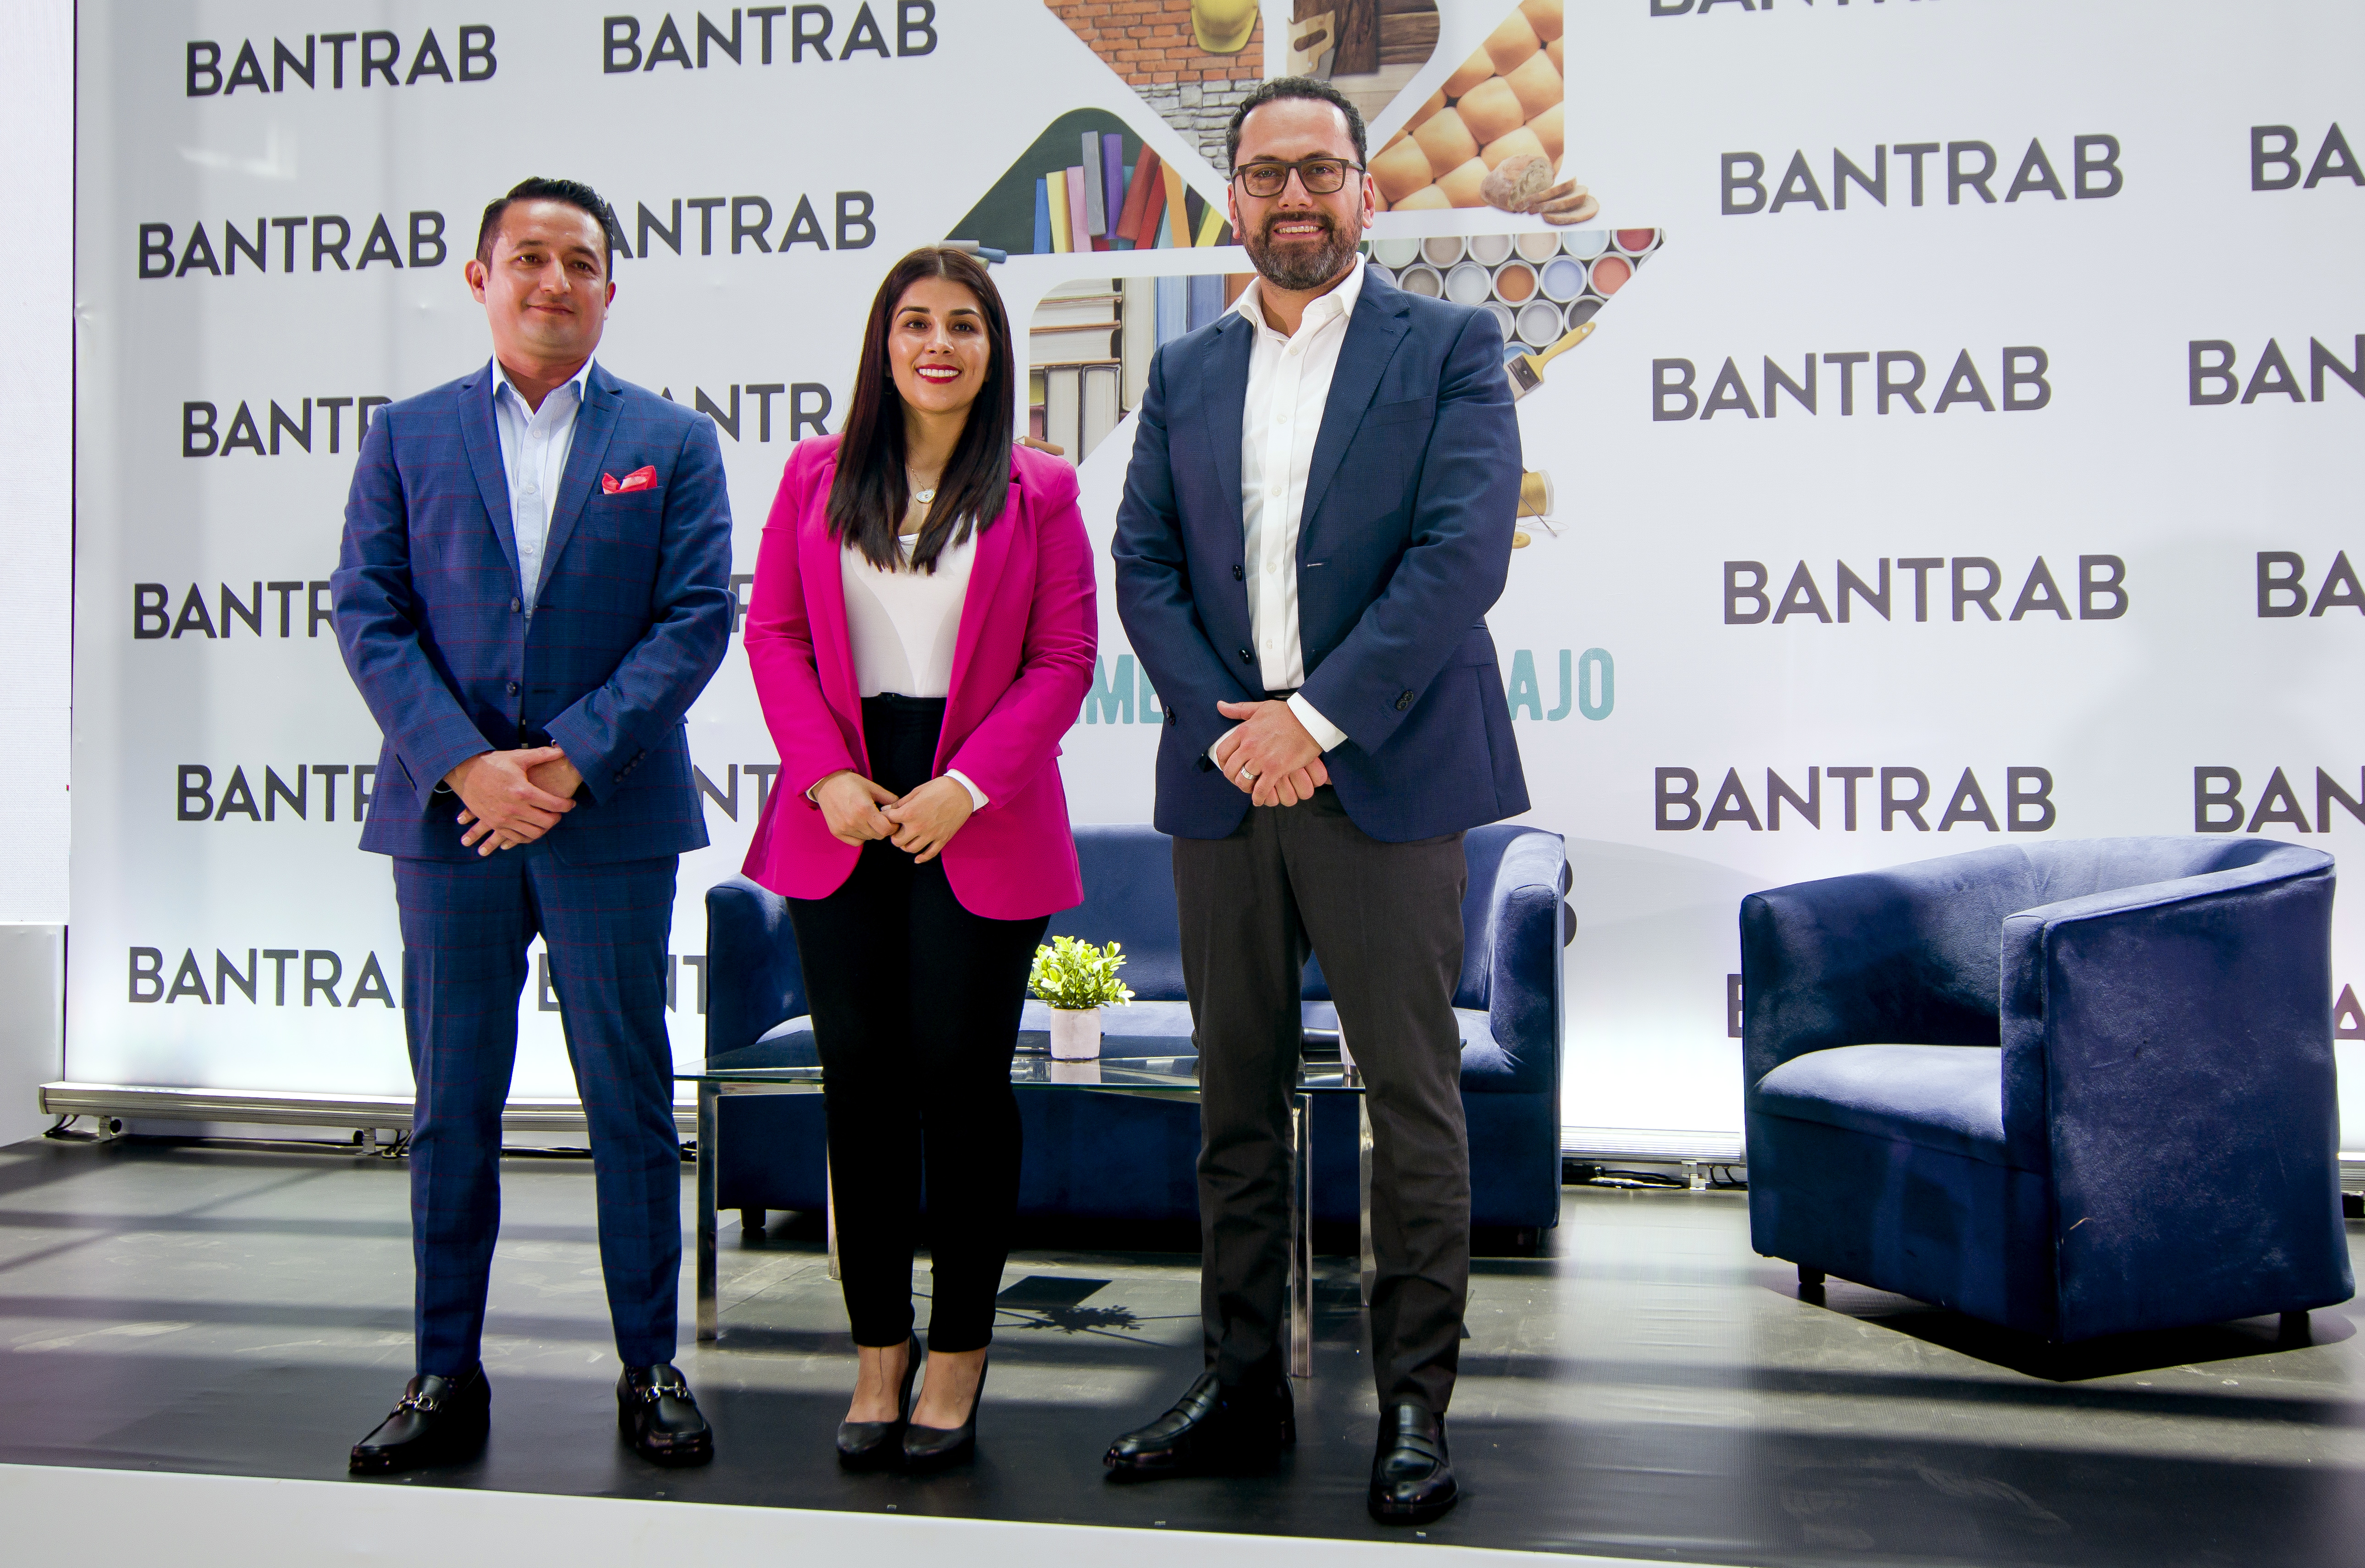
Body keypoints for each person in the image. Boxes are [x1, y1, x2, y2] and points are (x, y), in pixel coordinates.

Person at [1106, 77, 1527, 1523]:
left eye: (1323, 173)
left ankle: (1414, 1402)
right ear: (1235, 198)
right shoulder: (1184, 370)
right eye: (1269, 174)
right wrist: (1241, 736)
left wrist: (1318, 723)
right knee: (1235, 1102)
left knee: (1410, 1103)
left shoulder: (1453, 347)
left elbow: (1461, 558)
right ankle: (1242, 1382)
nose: (1297, 198)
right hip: (1227, 779)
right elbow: (1143, 566)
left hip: (1384, 776)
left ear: (1367, 191)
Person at [331, 177, 733, 1474]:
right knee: (453, 1106)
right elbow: (369, 615)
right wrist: (468, 769)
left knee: (627, 1099)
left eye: (580, 262)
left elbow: (694, 620)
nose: (554, 281)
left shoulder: (671, 442)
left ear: (612, 288)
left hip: (605, 816)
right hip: (449, 821)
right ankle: (444, 1372)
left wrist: (564, 763)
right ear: (480, 275)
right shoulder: (407, 435)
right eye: (530, 258)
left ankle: (650, 1364)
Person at [739, 246, 1096, 1471]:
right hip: (839, 797)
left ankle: (957, 1358)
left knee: (962, 1084)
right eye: (914, 322)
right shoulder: (812, 476)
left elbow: (1063, 665)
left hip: (977, 798)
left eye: (964, 325)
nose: (936, 344)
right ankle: (877, 1354)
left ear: (996, 351)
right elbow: (776, 632)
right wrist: (827, 774)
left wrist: (966, 784)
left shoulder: (1040, 488)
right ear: (883, 344)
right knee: (863, 1091)